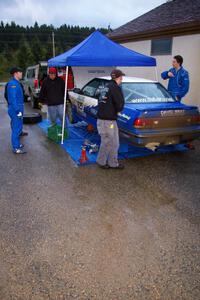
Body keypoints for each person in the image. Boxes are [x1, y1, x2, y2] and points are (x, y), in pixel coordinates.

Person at [96, 69, 125, 170]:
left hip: (104, 119)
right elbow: (120, 104)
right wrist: (117, 109)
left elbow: (98, 98)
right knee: (108, 142)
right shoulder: (115, 87)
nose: (122, 79)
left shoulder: (104, 86)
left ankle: (113, 163)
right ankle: (102, 161)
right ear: (119, 77)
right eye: (121, 77)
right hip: (108, 121)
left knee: (114, 142)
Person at [7, 67, 27, 154]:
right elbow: (12, 99)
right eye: (20, 72)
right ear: (15, 74)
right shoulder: (13, 84)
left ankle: (17, 144)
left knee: (18, 128)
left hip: (18, 108)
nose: (21, 74)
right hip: (15, 109)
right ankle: (16, 148)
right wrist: (17, 111)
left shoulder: (16, 83)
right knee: (16, 128)